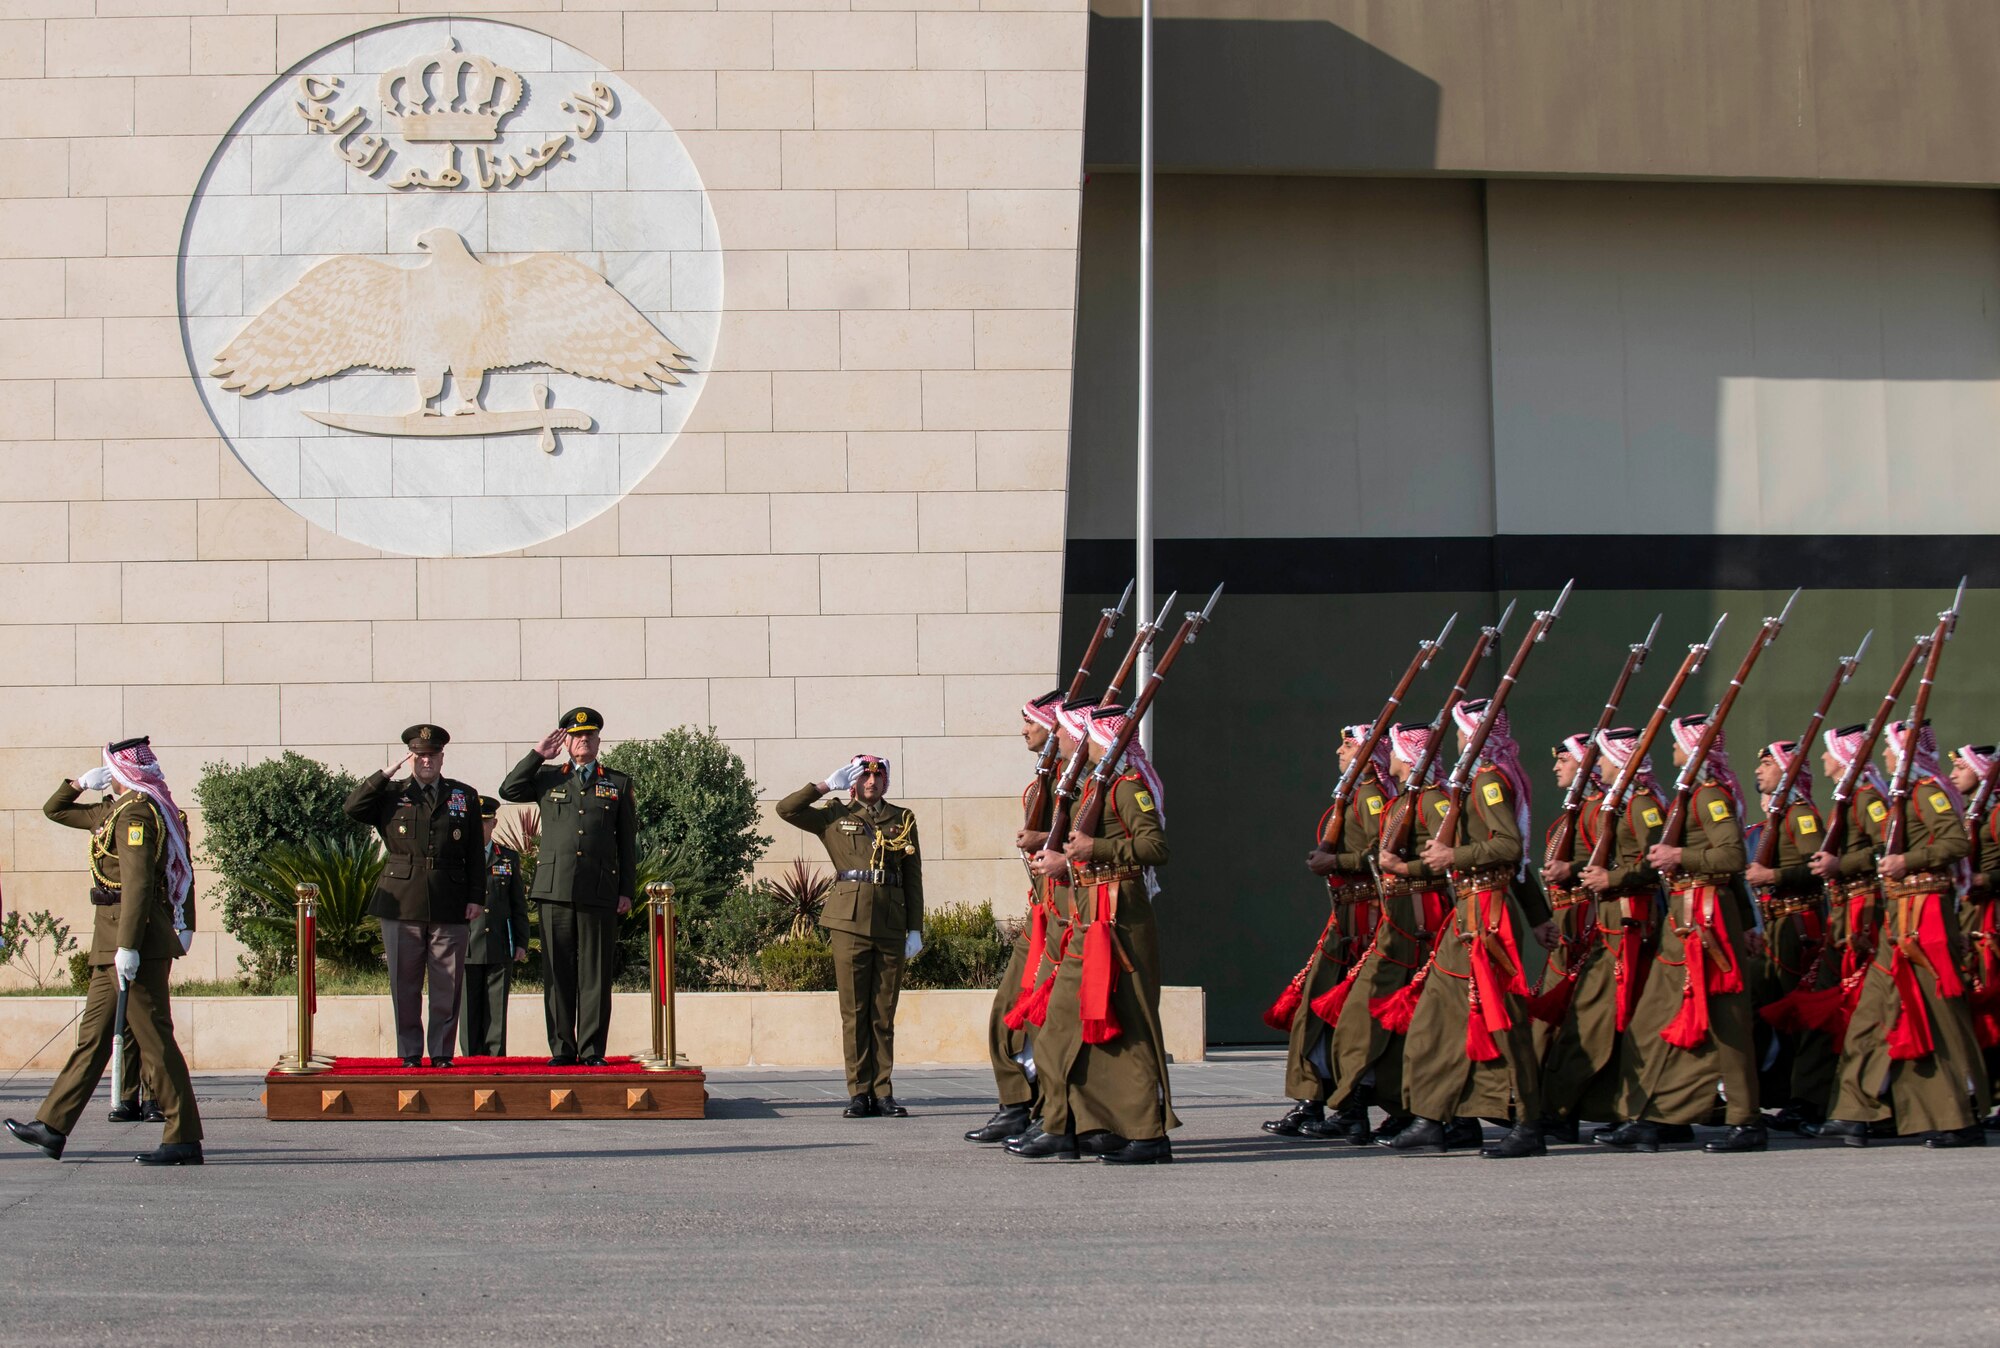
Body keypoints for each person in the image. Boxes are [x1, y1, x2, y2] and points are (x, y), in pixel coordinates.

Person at [6, 738, 203, 1165]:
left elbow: (137, 885)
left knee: (154, 1041)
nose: (106, 775)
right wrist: (78, 782)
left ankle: (182, 1137)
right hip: (108, 941)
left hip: (134, 941)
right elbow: (54, 810)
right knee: (92, 1039)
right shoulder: (113, 809)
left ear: (125, 770)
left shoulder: (136, 813)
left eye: (108, 769)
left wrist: (128, 946)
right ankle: (52, 1126)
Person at [1384, 699, 1551, 1159]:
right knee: (1435, 1019)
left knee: (1502, 1019)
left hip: (1489, 917)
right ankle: (1434, 1117)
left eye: (1461, 731)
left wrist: (1451, 858)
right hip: (1468, 913)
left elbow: (1509, 847)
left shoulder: (1489, 784)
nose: (1456, 740)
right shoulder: (1472, 784)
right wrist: (1412, 865)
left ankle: (1527, 1121)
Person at [1811, 720, 1989, 1148]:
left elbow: (1956, 844)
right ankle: (1857, 1112)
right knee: (1871, 1016)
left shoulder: (1926, 791)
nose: (1885, 757)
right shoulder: (1902, 795)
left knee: (1937, 1017)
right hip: (1900, 918)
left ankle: (1959, 1119)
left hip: (1925, 915)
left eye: (1890, 749)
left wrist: (1907, 860)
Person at [1013, 702, 1176, 1164]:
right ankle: (1086, 1126)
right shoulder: (1089, 788)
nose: (1067, 741)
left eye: (1073, 733)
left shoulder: (1127, 787)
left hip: (1119, 915)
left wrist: (1090, 848)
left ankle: (1144, 1135)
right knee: (1070, 1025)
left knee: (1131, 1026)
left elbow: (1155, 846)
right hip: (1090, 916)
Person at [1606, 714, 1764, 1153]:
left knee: (1726, 1021)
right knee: (1660, 1019)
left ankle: (1746, 1120)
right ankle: (1666, 1115)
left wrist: (1680, 854)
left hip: (1708, 918)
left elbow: (1731, 857)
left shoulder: (1710, 796)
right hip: (1687, 916)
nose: (1671, 753)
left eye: (1677, 744)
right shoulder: (1690, 796)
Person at [1269, 724, 1398, 1143]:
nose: (1338, 750)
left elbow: (1385, 852)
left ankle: (1352, 1106)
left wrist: (1337, 860)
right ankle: (1315, 1099)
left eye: (1347, 744)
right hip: (1345, 917)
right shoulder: (1353, 794)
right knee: (1315, 1008)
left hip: (1367, 917)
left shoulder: (1373, 795)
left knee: (1348, 1014)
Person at [777, 755, 925, 1119]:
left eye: (880, 775)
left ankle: (883, 1091)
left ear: (887, 782)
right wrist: (825, 785)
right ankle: (859, 1092)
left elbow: (913, 876)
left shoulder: (902, 819)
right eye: (865, 775)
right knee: (854, 1011)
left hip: (890, 921)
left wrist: (915, 927)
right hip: (848, 921)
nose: (873, 781)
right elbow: (786, 809)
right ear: (854, 781)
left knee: (883, 1012)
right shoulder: (833, 815)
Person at [1537, 729, 1664, 1143]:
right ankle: (1618, 1110)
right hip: (1609, 921)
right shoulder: (1604, 807)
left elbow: (1653, 861)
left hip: (1629, 922)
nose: (1600, 765)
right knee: (1608, 1021)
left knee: (1595, 1020)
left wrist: (1608, 877)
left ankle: (1561, 1110)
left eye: (1606, 757)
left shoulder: (1640, 805)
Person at [499, 707, 637, 1067]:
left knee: (595, 974)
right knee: (557, 973)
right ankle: (562, 1049)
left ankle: (592, 1050)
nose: (583, 740)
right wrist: (537, 754)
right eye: (576, 736)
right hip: (554, 888)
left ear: (598, 741)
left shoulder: (617, 783)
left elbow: (627, 843)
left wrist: (626, 890)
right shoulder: (547, 777)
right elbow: (508, 789)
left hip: (599, 889)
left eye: (589, 735)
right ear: (566, 741)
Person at [344, 725, 485, 1069]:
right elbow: (353, 807)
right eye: (420, 755)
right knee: (404, 982)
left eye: (432, 755)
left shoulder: (463, 795)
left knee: (447, 984)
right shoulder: (392, 794)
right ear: (411, 757)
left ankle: (441, 1053)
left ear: (441, 758)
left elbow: (475, 853)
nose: (427, 761)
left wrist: (476, 897)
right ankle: (409, 1052)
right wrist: (385, 774)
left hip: (450, 899)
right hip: (401, 898)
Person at [968, 690, 1065, 1144]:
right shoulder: (1049, 779)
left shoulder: (1080, 783)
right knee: (1006, 1013)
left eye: (1030, 721)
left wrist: (1046, 838)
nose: (1023, 729)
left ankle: (1051, 1113)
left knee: (1046, 1022)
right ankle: (1014, 1104)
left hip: (1069, 920)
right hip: (1040, 914)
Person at [1744, 740, 1835, 1133]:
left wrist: (1773, 877)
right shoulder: (1779, 818)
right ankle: (1777, 1092)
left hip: (1798, 926)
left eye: (1767, 764)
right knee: (1767, 1011)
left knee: (1801, 1015)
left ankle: (1810, 1100)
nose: (1758, 771)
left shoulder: (1800, 815)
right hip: (1775, 926)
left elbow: (1817, 866)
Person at [1949, 743, 2000, 1126]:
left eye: (1962, 767)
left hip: (1991, 920)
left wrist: (1984, 879)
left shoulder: (1996, 815)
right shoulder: (1975, 814)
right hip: (1972, 918)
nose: (1953, 774)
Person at [462, 795, 529, 1058]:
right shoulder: (459, 859)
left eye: (485, 823)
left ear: (494, 824)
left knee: (496, 1007)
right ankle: (470, 1060)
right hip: (466, 944)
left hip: (500, 942)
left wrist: (522, 942)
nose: (480, 828)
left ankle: (495, 1061)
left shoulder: (507, 858)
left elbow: (517, 904)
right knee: (469, 1009)